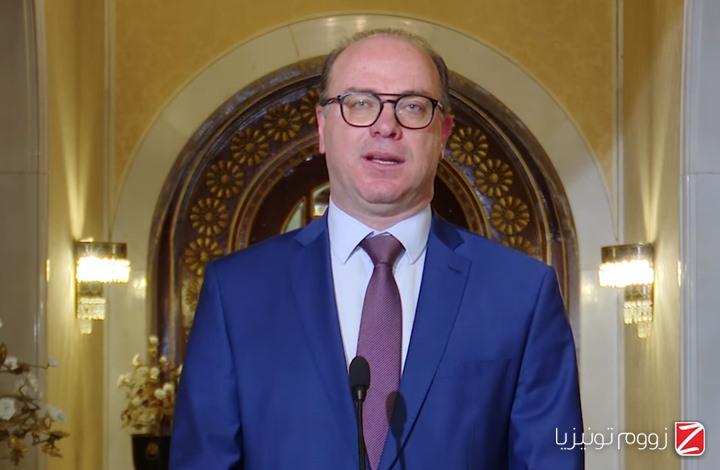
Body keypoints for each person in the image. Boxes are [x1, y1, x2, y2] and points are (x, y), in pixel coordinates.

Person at [170, 29, 583, 470]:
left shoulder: (522, 294)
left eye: (412, 106)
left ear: (443, 134)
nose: (386, 126)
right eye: (360, 103)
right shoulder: (237, 292)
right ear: (322, 127)